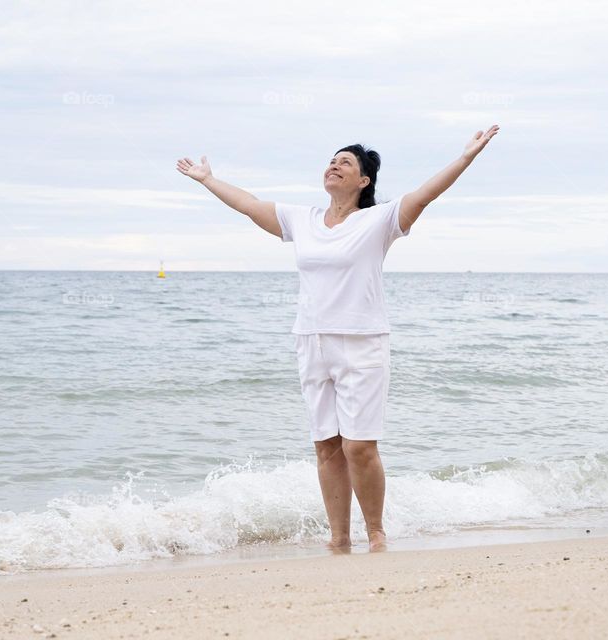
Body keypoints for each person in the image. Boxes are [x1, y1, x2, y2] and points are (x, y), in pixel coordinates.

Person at [175, 125, 500, 552]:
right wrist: (208, 180)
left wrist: (465, 158)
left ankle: (377, 534)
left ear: (364, 180)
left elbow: (424, 195)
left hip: (363, 342)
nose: (334, 165)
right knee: (328, 446)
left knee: (359, 446)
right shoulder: (302, 219)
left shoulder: (379, 219)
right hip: (311, 341)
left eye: (345, 162)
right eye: (332, 159)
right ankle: (339, 538)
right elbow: (251, 206)